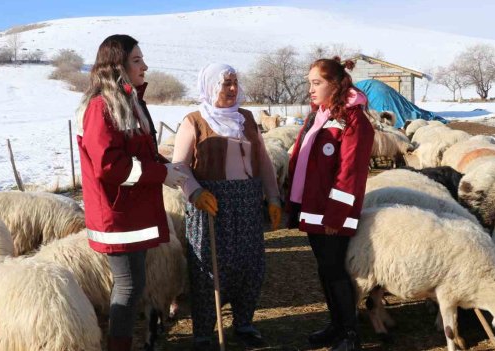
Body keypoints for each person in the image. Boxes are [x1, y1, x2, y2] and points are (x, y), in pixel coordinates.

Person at [76, 34, 188, 351]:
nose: (145, 66)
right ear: (118, 65)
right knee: (127, 286)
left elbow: (143, 152)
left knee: (134, 284)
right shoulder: (101, 108)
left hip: (133, 209)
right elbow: (109, 166)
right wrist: (160, 174)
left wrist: (171, 168)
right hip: (117, 213)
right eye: (137, 60)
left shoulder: (129, 103)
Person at [172, 63, 281, 350]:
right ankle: (205, 332)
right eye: (225, 83)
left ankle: (244, 324)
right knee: (210, 269)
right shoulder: (194, 121)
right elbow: (179, 166)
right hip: (211, 204)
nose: (232, 89)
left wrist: (273, 198)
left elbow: (265, 162)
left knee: (250, 265)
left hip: (246, 202)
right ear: (210, 86)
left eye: (234, 82)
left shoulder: (245, 118)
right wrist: (195, 192)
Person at [286, 57, 374, 351]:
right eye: (309, 83)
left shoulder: (354, 120)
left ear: (335, 85)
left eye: (317, 83)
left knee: (336, 270)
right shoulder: (319, 115)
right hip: (312, 207)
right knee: (325, 268)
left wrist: (336, 215)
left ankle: (350, 333)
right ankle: (336, 325)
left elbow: (350, 172)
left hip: (333, 213)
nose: (310, 89)